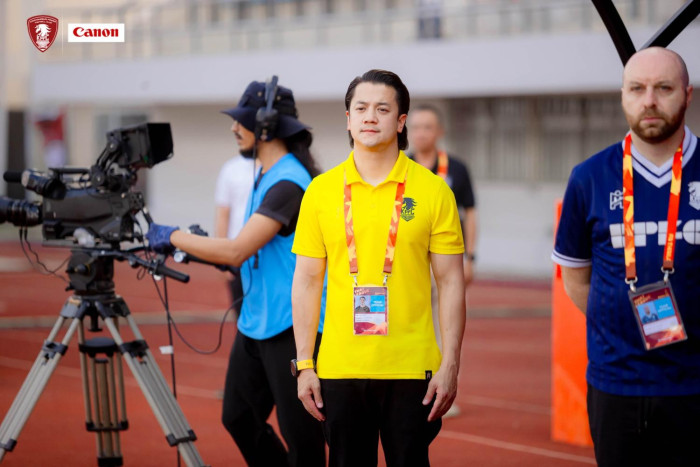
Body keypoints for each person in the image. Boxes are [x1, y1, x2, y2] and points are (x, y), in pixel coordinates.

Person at [147, 79, 326, 467]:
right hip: (257, 320)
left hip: (291, 324)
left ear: (266, 126)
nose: (233, 128)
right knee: (238, 416)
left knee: (303, 439)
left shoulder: (290, 182)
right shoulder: (265, 174)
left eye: (241, 121)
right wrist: (192, 248)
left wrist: (170, 234)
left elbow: (237, 248)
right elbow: (244, 254)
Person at [291, 69, 466, 466]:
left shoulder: (433, 191)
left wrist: (451, 364)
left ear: (401, 121)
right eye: (361, 108)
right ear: (348, 119)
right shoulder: (320, 192)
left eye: (382, 109)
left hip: (412, 370)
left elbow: (451, 283)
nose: (370, 117)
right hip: (339, 369)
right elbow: (306, 282)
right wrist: (304, 365)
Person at [552, 47, 700, 466]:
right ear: (623, 96)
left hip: (694, 385)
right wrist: (618, 325)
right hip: (615, 383)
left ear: (687, 94)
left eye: (663, 88)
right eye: (637, 89)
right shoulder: (589, 177)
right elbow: (575, 278)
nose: (649, 100)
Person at [408, 104, 477, 418]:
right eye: (416, 127)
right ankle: (411, 391)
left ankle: (442, 389)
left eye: (427, 127)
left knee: (444, 327)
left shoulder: (457, 169)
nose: (420, 133)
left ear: (440, 132)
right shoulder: (402, 167)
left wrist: (470, 257)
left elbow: (471, 214)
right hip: (410, 264)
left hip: (446, 262)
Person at [213, 152, 255, 316]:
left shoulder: (275, 169)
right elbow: (223, 214)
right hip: (237, 254)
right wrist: (222, 257)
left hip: (265, 255)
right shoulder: (231, 169)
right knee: (241, 313)